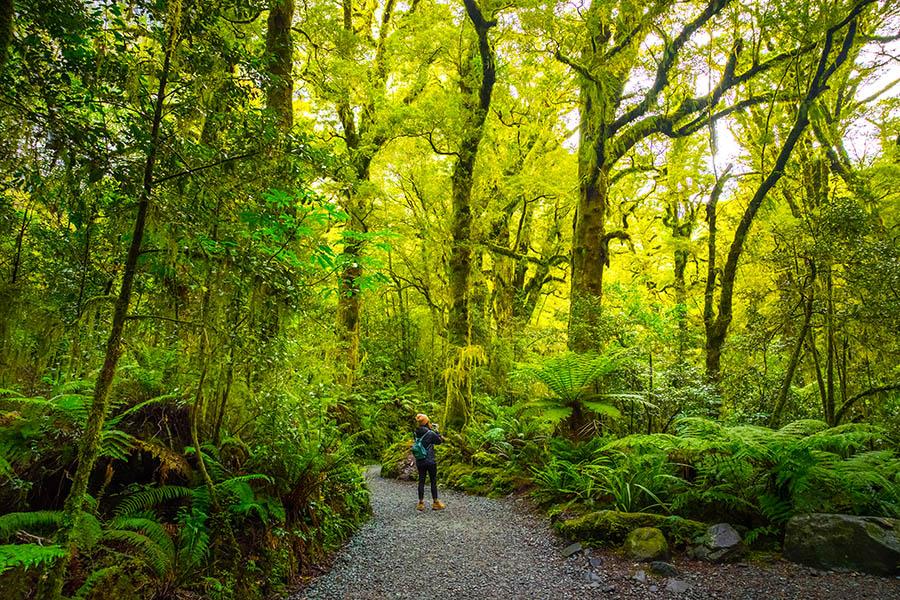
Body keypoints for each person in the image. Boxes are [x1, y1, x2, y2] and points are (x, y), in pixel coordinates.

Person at [413, 413, 445, 511]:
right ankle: (435, 502)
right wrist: (436, 431)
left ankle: (421, 503)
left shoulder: (415, 432)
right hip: (430, 460)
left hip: (420, 460)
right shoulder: (430, 433)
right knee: (433, 481)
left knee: (421, 480)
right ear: (427, 422)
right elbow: (439, 441)